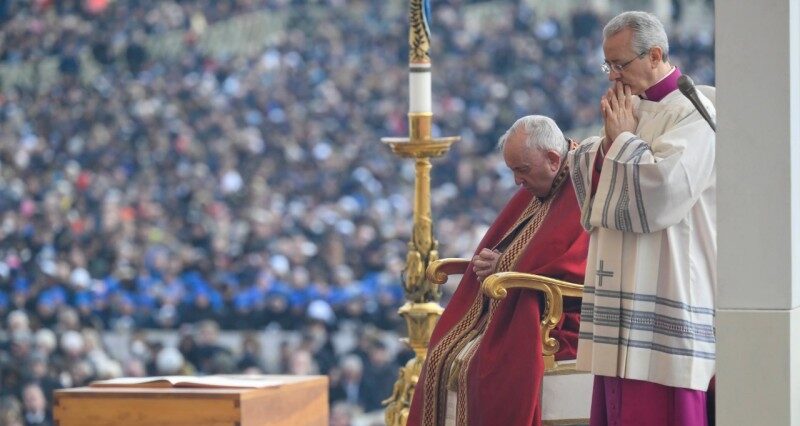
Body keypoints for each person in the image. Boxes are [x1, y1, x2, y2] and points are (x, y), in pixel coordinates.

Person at [567, 11, 716, 425]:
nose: (613, 76)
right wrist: (604, 147)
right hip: (624, 290)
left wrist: (623, 141)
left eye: (620, 65)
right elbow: (600, 169)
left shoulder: (694, 110)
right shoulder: (632, 107)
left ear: (654, 54)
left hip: (669, 286)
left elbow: (665, 191)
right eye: (607, 65)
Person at [407, 115, 590, 426]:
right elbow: (512, 243)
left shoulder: (584, 184)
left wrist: (506, 267)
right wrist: (491, 263)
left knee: (491, 365)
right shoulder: (540, 183)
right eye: (513, 171)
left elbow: (579, 264)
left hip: (558, 312)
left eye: (522, 170)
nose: (517, 181)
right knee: (442, 352)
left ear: (552, 159)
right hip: (511, 296)